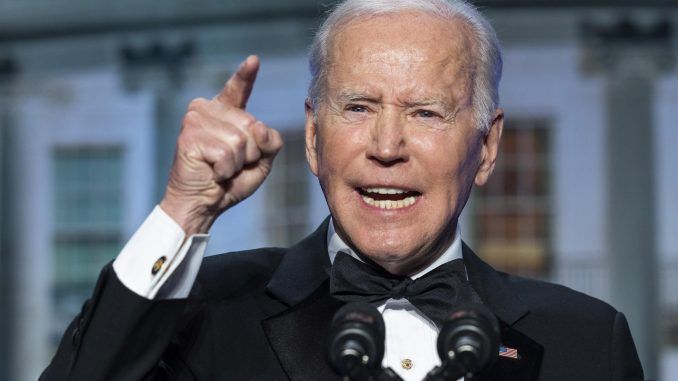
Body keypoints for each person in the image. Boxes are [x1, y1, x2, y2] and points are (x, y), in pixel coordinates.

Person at [41, 0, 645, 380]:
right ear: (312, 138)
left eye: (426, 113)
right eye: (357, 107)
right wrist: (184, 209)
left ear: (485, 148)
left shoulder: (587, 339)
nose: (386, 145)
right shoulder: (205, 313)